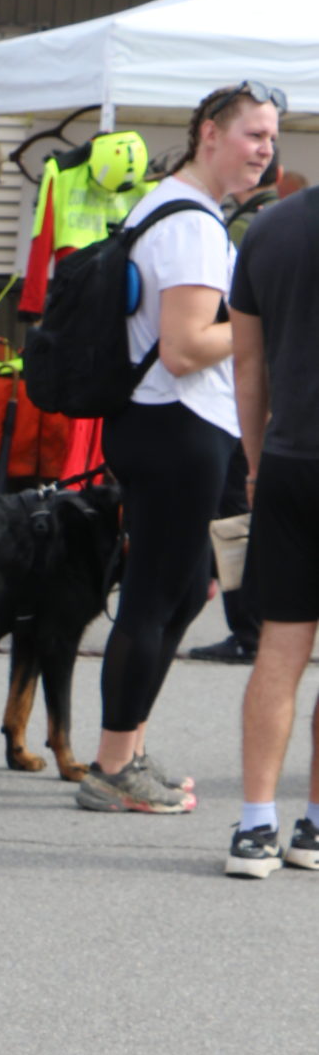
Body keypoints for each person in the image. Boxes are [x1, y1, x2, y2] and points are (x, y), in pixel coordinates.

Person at [74, 83, 281, 812]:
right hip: (175, 426)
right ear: (209, 135)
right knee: (155, 595)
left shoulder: (179, 209)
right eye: (253, 135)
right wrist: (260, 321)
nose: (264, 151)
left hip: (168, 426)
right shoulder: (190, 223)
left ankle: (127, 749)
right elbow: (186, 345)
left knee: (186, 589)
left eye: (271, 138)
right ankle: (111, 767)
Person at [222, 182, 319, 875]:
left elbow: (246, 363)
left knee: (278, 652)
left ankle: (255, 826)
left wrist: (256, 465)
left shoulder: (267, 229)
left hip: (288, 462)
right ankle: (314, 826)